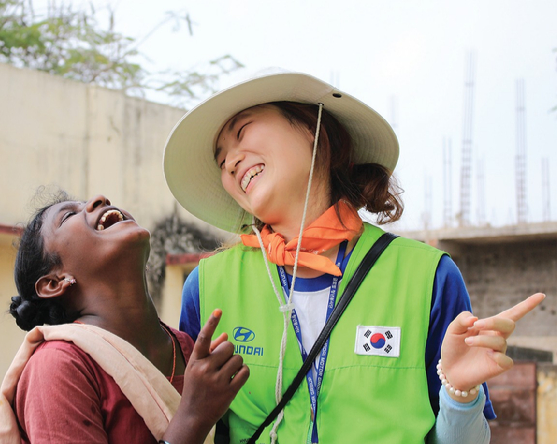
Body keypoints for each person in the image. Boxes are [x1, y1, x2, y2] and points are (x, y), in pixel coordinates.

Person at [162, 72, 545, 443]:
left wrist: (460, 393)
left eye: (243, 131)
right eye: (221, 160)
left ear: (311, 129)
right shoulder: (206, 287)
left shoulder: (429, 276)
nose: (230, 161)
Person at [0, 190, 249, 444]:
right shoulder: (58, 366)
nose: (100, 199)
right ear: (54, 283)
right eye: (69, 215)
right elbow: (194, 418)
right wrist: (193, 417)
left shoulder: (189, 350)